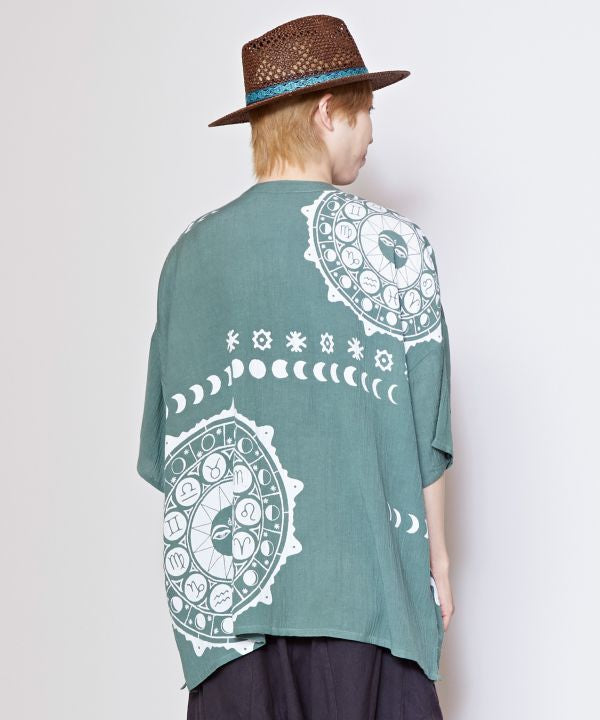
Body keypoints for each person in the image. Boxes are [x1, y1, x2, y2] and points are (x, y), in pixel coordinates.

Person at [137, 13, 455, 720]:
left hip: (233, 624)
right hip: (372, 604)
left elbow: (169, 448)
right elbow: (426, 436)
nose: (371, 136)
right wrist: (438, 563)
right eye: (365, 114)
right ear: (327, 113)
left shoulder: (188, 257)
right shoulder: (398, 248)